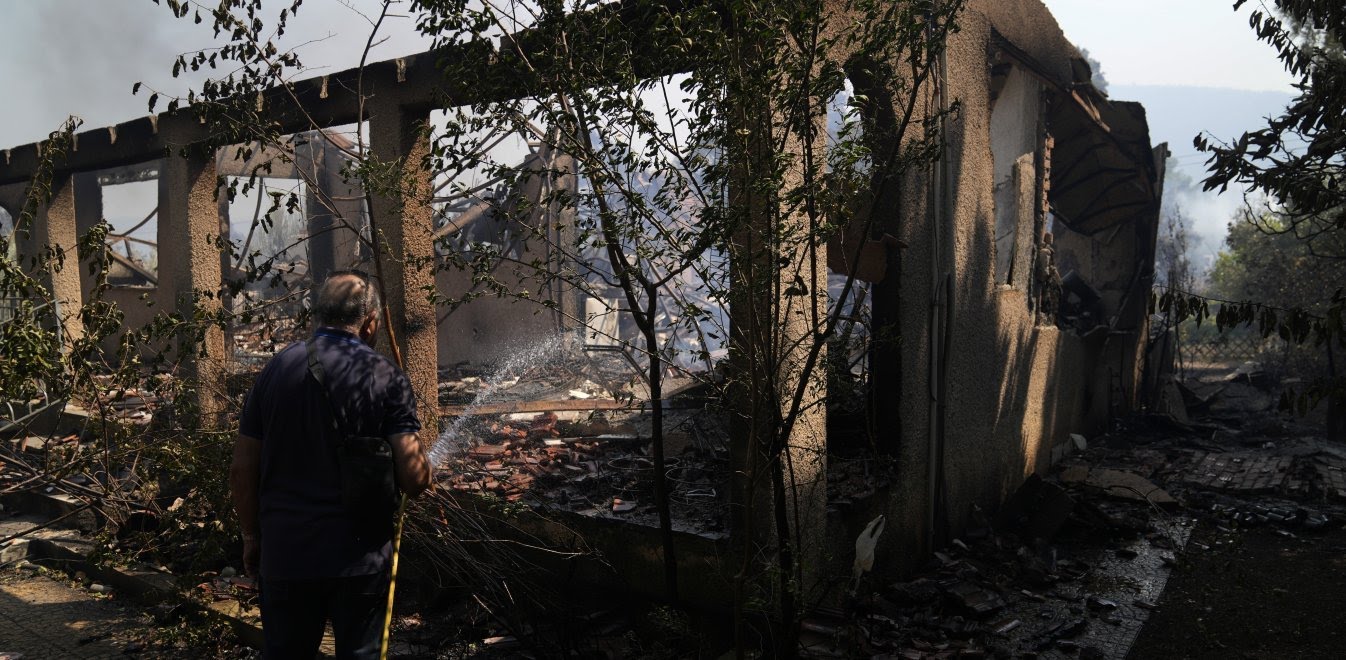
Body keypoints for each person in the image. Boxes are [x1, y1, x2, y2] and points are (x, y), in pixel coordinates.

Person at [231, 270, 432, 659]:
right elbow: (414, 478)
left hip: (286, 556)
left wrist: (251, 536)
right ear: (371, 322)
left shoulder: (275, 371)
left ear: (316, 318)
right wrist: (425, 471)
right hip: (360, 561)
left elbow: (242, 469)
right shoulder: (386, 377)